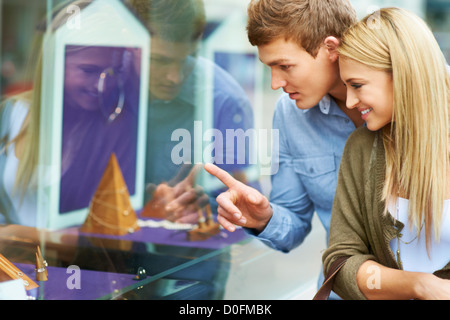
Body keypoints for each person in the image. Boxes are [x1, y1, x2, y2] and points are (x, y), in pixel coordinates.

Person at [205, 0, 360, 253]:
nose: (275, 83)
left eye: (285, 66)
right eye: (270, 68)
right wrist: (262, 219)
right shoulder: (290, 113)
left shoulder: (430, 94)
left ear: (331, 48)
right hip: (341, 288)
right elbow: (294, 224)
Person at [322, 7, 450, 300]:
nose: (351, 101)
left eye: (357, 85)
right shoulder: (362, 148)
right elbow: (340, 264)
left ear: (404, 74)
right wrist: (420, 285)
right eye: (346, 86)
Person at [127, 0, 257, 224]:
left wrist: (202, 205)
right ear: (129, 43)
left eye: (187, 58)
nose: (174, 77)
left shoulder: (225, 101)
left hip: (192, 251)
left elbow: (247, 208)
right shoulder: (101, 82)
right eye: (159, 60)